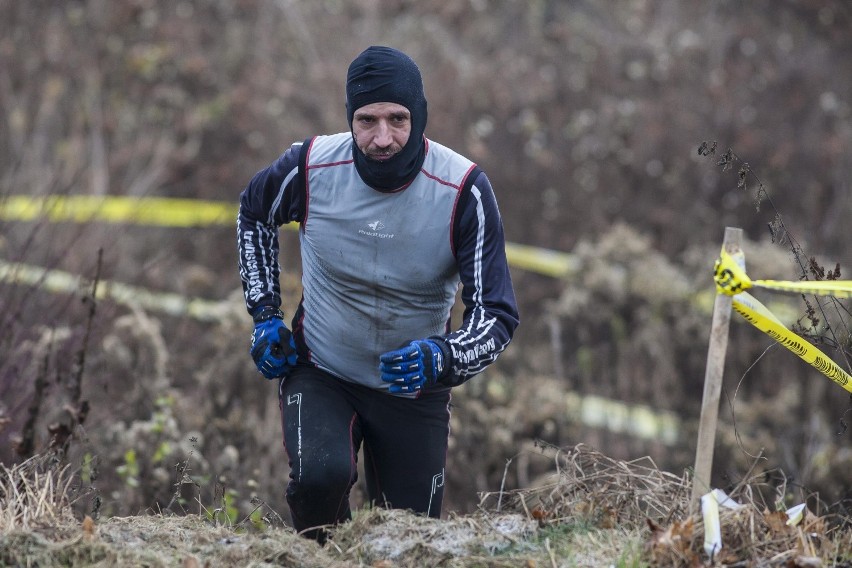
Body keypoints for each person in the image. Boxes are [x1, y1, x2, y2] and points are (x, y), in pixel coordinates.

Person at [237, 45, 519, 540]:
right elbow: (253, 213)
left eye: (397, 119)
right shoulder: (309, 167)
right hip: (321, 368)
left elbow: (496, 314)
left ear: (420, 116)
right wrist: (264, 315)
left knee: (407, 539)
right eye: (366, 120)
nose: (382, 138)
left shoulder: (463, 190)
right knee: (316, 484)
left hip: (413, 389)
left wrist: (444, 357)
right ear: (349, 118)